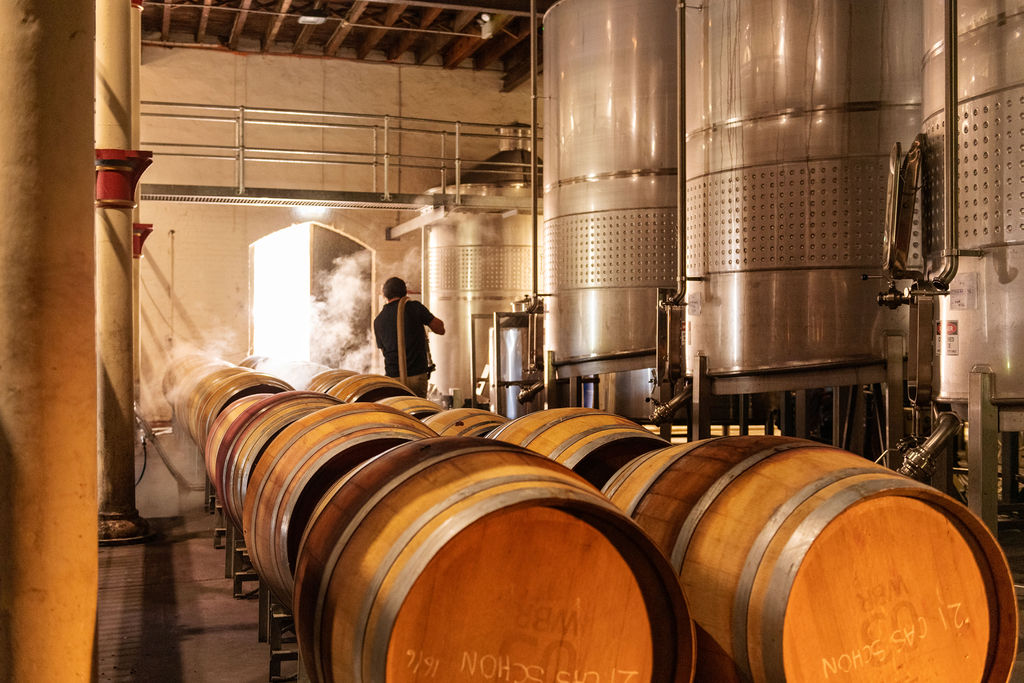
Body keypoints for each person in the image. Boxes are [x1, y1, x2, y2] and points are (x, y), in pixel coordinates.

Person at [373, 276, 445, 398]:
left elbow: (384, 351)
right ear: (404, 291)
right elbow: (440, 329)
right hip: (416, 375)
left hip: (393, 379)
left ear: (385, 295)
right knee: (418, 413)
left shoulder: (378, 320)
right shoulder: (415, 307)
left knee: (399, 414)